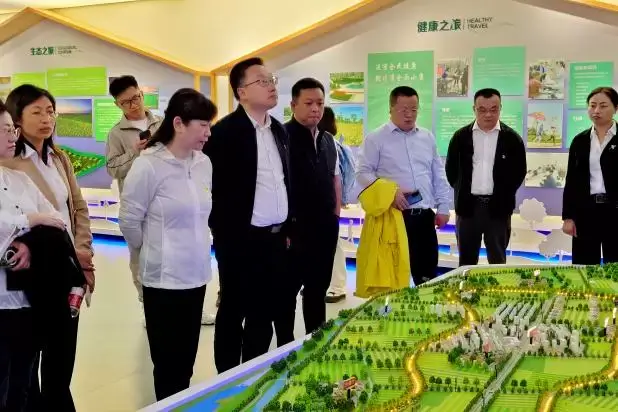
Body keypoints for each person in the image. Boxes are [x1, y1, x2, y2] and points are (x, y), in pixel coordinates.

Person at [119, 88, 217, 401]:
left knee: (186, 362)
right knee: (166, 365)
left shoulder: (203, 163)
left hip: (196, 276)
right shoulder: (149, 165)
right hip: (162, 281)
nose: (208, 132)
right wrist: (149, 251)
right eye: (203, 125)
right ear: (178, 123)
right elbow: (129, 221)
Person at [2, 84, 94, 411]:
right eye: (37, 112)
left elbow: (77, 208)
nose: (47, 119)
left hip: (65, 265)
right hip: (31, 274)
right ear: (17, 118)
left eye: (51, 111)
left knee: (62, 352)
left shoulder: (59, 158)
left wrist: (82, 254)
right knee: (27, 362)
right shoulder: (12, 164)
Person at [204, 57, 291, 373]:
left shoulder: (278, 130)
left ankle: (253, 370)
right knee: (233, 309)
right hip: (239, 240)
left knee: (263, 311)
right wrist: (224, 233)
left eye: (272, 80)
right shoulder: (224, 133)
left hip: (275, 239)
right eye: (262, 81)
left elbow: (283, 181)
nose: (271, 86)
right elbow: (210, 189)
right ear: (241, 92)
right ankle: (227, 376)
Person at [106, 76, 214, 326]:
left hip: (189, 253)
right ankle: (148, 305)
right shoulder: (118, 135)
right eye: (126, 102)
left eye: (136, 97)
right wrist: (135, 152)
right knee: (143, 266)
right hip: (144, 206)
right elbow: (113, 169)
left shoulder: (163, 125)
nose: (134, 104)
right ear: (117, 105)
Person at [0, 99, 67, 411]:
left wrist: (27, 241)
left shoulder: (19, 180)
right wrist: (30, 220)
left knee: (23, 382)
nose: (12, 136)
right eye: (5, 130)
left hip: (28, 298)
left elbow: (56, 219)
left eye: (12, 130)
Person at [356, 86, 450, 286]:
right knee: (392, 277)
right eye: (403, 110)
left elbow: (438, 173)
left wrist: (443, 206)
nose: (409, 115)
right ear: (391, 109)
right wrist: (390, 192)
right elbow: (363, 173)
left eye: (414, 109)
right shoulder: (376, 138)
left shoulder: (427, 137)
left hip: (424, 216)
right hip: (394, 217)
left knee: (427, 277)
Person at [279, 79, 340, 344]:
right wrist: (285, 228)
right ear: (293, 105)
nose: (316, 109)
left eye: (320, 103)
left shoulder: (327, 140)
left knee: (317, 292)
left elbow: (334, 179)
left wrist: (335, 217)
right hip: (293, 231)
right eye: (309, 103)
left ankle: (316, 345)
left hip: (324, 229)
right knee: (285, 295)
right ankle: (285, 348)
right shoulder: (282, 138)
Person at [445, 88, 526, 266]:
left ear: (500, 108)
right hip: (468, 208)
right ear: (474, 109)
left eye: (493, 109)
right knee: (466, 261)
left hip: (498, 209)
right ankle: (466, 285)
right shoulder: (460, 137)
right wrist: (462, 191)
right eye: (482, 110)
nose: (488, 114)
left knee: (497, 260)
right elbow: (451, 171)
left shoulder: (512, 139)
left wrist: (503, 194)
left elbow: (518, 173)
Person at [563, 86, 618, 264]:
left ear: (616, 108)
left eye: (603, 106)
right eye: (592, 105)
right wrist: (568, 217)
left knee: (615, 266)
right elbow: (571, 181)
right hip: (586, 211)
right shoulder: (580, 141)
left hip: (615, 210)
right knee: (584, 265)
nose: (596, 111)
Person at [319, 106, 355, 303]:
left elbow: (338, 178)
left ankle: (337, 286)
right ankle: (322, 283)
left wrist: (337, 207)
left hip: (328, 204)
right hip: (317, 205)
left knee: (334, 243)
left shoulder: (331, 144)